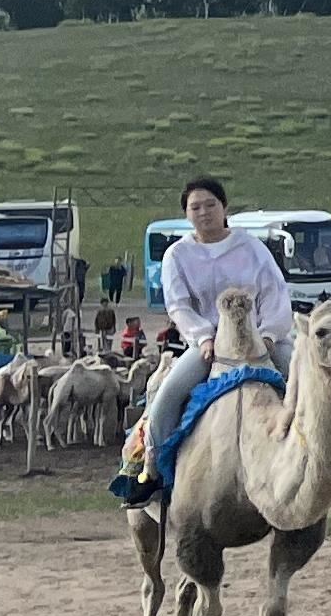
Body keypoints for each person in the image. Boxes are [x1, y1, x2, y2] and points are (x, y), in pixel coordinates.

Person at [124, 177, 292, 499]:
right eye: (195, 207)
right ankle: (153, 469)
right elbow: (179, 305)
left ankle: (319, 463)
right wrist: (203, 338)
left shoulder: (252, 247)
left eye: (210, 204)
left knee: (307, 377)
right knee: (166, 396)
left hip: (262, 338)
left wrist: (269, 335)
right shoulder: (177, 255)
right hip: (211, 344)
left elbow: (275, 293)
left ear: (224, 207)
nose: (204, 212)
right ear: (187, 214)